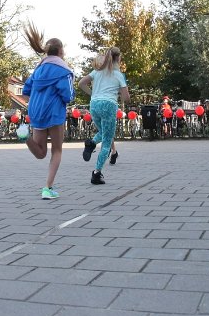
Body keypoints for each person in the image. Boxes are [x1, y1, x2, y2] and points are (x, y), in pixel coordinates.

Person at [21, 24, 74, 199]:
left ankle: (24, 137)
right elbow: (68, 95)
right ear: (60, 52)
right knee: (56, 151)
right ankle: (47, 188)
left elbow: (26, 90)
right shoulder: (64, 71)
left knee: (40, 152)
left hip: (36, 112)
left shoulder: (38, 70)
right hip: (55, 113)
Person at [78, 46, 130, 185]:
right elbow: (126, 97)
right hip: (109, 105)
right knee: (107, 140)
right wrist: (119, 92)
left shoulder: (97, 71)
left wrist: (93, 94)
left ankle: (91, 144)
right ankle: (96, 173)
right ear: (118, 58)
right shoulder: (119, 75)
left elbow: (81, 83)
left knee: (103, 131)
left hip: (94, 104)